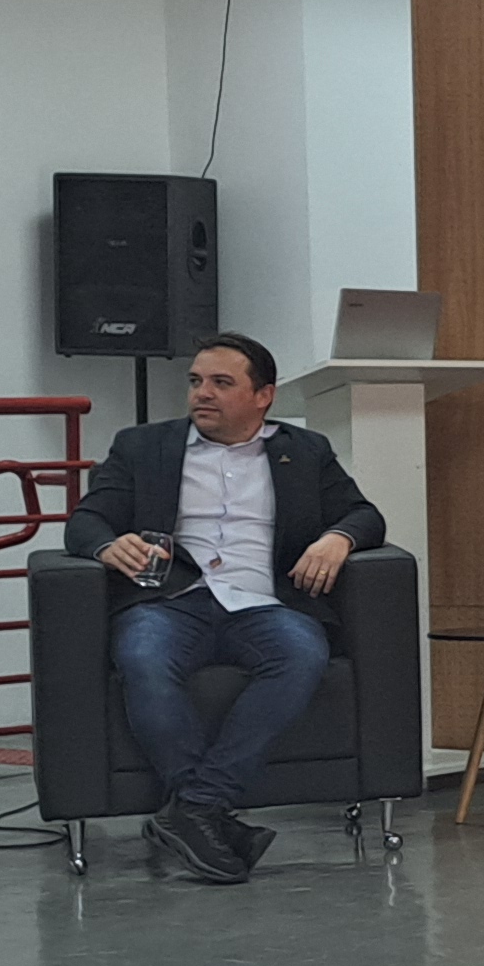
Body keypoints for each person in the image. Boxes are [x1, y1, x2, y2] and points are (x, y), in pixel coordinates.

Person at [67, 333, 383, 885]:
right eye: (196, 382)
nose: (202, 393)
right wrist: (107, 546)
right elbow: (86, 520)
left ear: (263, 395)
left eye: (220, 382)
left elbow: (364, 514)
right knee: (142, 654)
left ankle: (193, 806)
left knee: (302, 654)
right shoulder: (143, 446)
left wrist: (339, 538)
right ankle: (203, 811)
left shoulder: (305, 451)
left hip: (263, 602)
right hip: (172, 600)